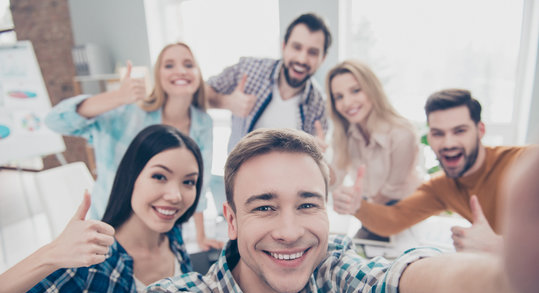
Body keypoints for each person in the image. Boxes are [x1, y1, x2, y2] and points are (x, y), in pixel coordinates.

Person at [1, 128, 538, 293]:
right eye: (263, 206)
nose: (289, 229)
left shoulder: (335, 274)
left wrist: (514, 292)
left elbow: (402, 285)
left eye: (307, 203)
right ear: (231, 220)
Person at [0, 124, 203, 293]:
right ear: (131, 176)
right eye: (159, 176)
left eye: (188, 182)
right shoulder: (91, 259)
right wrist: (52, 254)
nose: (176, 196)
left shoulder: (173, 236)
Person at [45, 42, 222, 251]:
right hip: (112, 228)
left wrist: (201, 237)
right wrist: (117, 97)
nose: (181, 71)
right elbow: (56, 121)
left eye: (188, 64)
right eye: (169, 65)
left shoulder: (202, 123)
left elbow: (198, 182)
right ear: (158, 75)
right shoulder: (130, 114)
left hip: (163, 228)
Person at [333, 88, 532, 253]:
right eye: (438, 133)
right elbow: (393, 219)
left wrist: (499, 247)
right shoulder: (442, 187)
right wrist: (357, 206)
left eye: (459, 131)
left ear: (480, 130)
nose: (448, 143)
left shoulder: (525, 163)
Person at [206, 12, 331, 152]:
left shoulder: (319, 105)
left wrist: (315, 155)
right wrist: (226, 102)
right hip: (239, 171)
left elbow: (317, 154)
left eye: (312, 52)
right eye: (296, 47)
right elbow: (198, 92)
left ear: (323, 58)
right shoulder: (249, 69)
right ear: (284, 46)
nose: (302, 59)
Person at [326, 60, 422, 242]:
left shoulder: (402, 134)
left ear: (372, 89)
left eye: (355, 90)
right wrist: (315, 158)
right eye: (339, 97)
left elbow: (390, 192)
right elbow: (333, 181)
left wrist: (356, 205)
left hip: (403, 216)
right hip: (370, 213)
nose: (347, 102)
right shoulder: (345, 134)